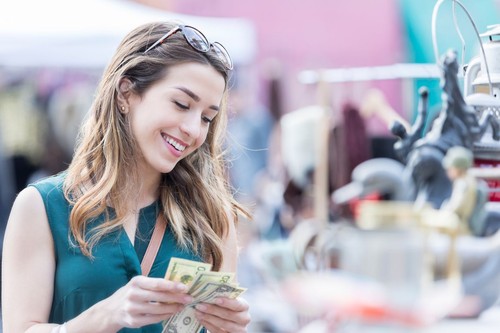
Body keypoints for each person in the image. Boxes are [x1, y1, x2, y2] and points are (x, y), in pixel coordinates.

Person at [2, 21, 251, 333]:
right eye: (181, 104)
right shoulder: (43, 206)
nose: (193, 130)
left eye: (206, 118)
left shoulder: (213, 219)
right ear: (126, 93)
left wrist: (229, 329)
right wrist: (107, 315)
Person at [441, 145, 488, 236]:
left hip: (463, 231)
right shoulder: (469, 181)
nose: (448, 171)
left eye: (450, 168)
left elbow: (456, 209)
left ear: (457, 169)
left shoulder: (463, 184)